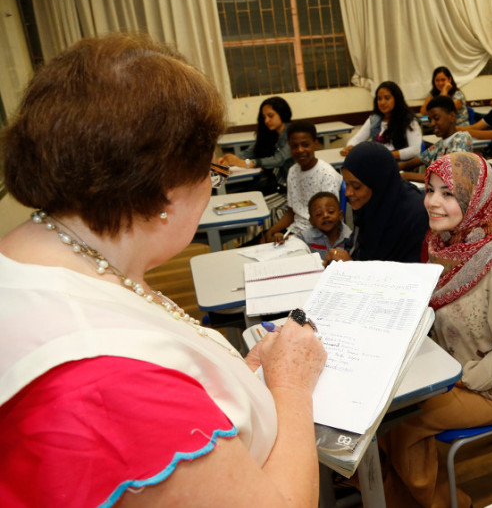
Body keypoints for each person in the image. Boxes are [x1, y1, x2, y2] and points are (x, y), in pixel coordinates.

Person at [0, 34, 326, 506]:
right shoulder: (105, 382)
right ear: (167, 194)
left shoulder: (46, 259)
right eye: (209, 172)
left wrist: (241, 372)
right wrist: (292, 385)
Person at [380, 152, 492, 508]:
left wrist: (462, 378)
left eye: (448, 194)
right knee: (385, 409)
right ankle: (398, 495)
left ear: (475, 199)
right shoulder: (444, 244)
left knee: (401, 422)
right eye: (429, 189)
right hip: (450, 368)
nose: (433, 202)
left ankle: (448, 502)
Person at [324, 141, 428, 264]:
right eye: (346, 184)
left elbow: (411, 275)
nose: (348, 193)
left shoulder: (415, 215)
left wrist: (354, 268)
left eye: (356, 186)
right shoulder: (371, 201)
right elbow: (357, 246)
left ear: (377, 183)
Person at [264, 121, 342, 243]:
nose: (300, 150)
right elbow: (292, 212)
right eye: (294, 146)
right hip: (295, 231)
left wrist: (292, 239)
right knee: (263, 241)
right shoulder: (293, 171)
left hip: (319, 236)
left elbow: (328, 223)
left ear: (315, 144)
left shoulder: (326, 175)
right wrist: (271, 231)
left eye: (305, 145)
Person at [219, 96, 294, 191]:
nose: (266, 120)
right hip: (272, 182)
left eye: (270, 116)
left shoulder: (293, 134)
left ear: (282, 114)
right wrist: (230, 159)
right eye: (264, 117)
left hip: (287, 186)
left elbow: (278, 159)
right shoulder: (269, 133)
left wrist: (247, 163)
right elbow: (251, 151)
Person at [341, 81, 422, 161]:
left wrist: (386, 156)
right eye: (379, 99)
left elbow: (415, 150)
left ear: (396, 99)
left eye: (387, 98)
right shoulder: (374, 119)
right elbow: (356, 139)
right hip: (377, 162)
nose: (382, 102)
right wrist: (350, 147)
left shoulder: (409, 121)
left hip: (398, 165)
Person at [400, 95, 473, 181]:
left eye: (436, 118)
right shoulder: (439, 145)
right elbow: (409, 164)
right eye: (430, 120)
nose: (432, 123)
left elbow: (449, 177)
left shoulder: (462, 140)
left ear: (452, 116)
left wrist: (405, 175)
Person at [300, 192, 351, 260]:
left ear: (340, 215)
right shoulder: (306, 236)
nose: (325, 216)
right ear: (311, 221)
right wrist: (281, 238)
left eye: (331, 211)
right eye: (319, 214)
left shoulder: (350, 238)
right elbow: (290, 241)